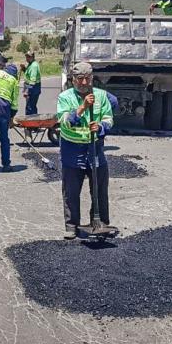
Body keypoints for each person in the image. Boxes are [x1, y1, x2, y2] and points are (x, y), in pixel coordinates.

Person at [56, 62, 114, 239]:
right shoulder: (65, 97)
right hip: (72, 151)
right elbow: (65, 121)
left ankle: (100, 223)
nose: (83, 82)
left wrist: (101, 127)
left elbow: (109, 118)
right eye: (79, 79)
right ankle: (72, 226)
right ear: (73, 79)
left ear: (92, 79)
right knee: (71, 191)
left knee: (99, 190)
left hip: (94, 150)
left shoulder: (102, 96)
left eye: (87, 79)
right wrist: (82, 107)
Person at [21, 50, 41, 115]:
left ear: (32, 57)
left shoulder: (34, 66)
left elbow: (32, 81)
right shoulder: (30, 64)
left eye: (29, 57)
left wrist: (27, 90)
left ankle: (32, 122)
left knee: (30, 107)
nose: (27, 58)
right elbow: (28, 74)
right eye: (26, 57)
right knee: (30, 106)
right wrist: (24, 69)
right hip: (30, 87)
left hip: (33, 88)